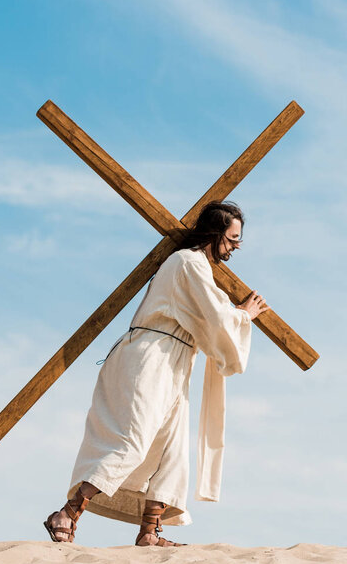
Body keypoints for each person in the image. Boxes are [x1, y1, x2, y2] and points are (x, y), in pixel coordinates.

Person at [44, 201, 269, 546]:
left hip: (175, 363)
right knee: (133, 440)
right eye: (233, 238)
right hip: (149, 359)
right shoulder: (186, 263)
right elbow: (216, 318)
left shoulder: (199, 270)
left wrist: (234, 313)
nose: (237, 246)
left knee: (172, 450)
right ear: (215, 233)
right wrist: (243, 316)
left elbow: (211, 311)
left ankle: (150, 532)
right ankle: (67, 513)